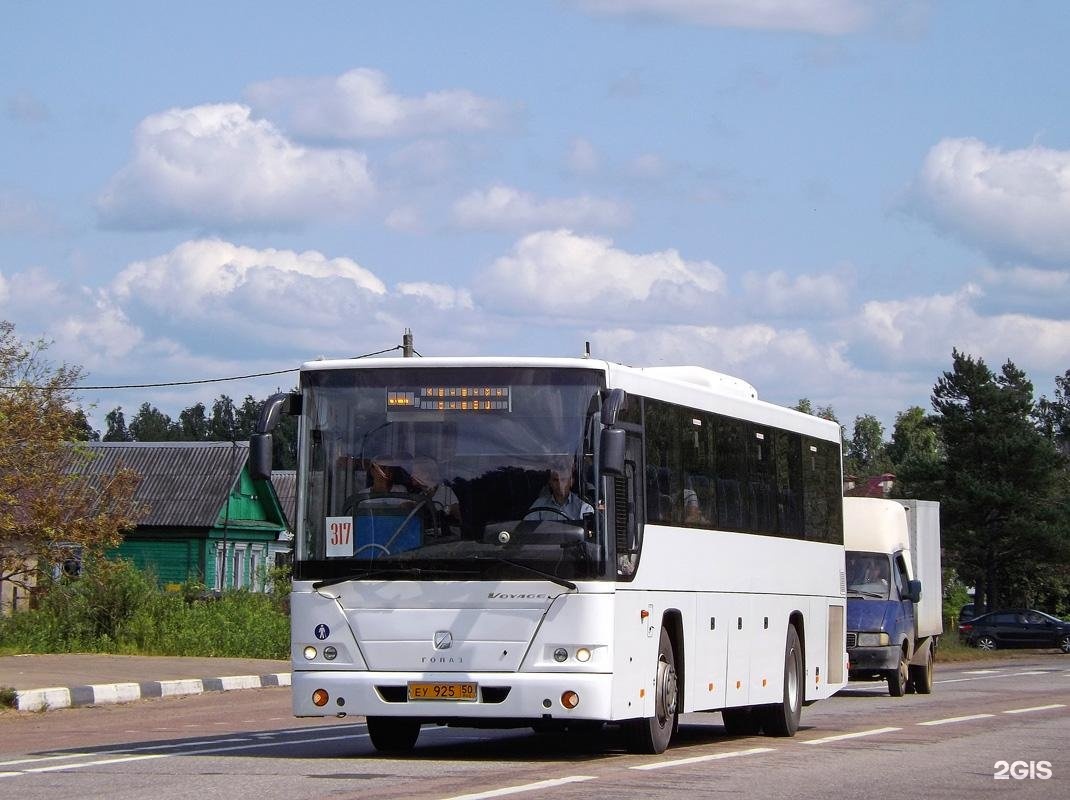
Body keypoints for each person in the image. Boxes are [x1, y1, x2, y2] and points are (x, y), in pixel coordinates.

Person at [526, 455, 594, 521]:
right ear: (550, 482)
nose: (559, 484)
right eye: (555, 480)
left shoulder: (583, 507)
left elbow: (588, 530)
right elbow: (527, 528)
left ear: (571, 482)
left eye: (563, 480)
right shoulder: (539, 505)